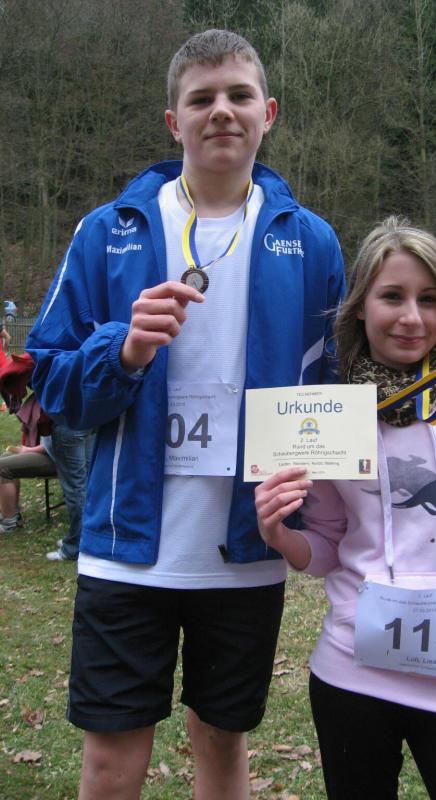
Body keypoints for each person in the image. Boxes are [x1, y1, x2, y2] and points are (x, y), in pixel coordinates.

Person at [26, 29, 345, 800]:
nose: (221, 111)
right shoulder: (109, 231)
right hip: (126, 547)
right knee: (110, 762)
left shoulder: (311, 242)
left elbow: (336, 386)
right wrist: (125, 352)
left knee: (222, 743)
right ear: (174, 121)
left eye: (238, 95)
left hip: (245, 550)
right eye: (201, 99)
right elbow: (51, 383)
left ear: (268, 112)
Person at [256, 217, 436, 800]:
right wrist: (279, 535)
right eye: (392, 296)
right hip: (353, 672)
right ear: (360, 307)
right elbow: (326, 547)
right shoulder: (332, 412)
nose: (412, 317)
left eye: (429, 298)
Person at [0, 424, 94, 561]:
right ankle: (11, 514)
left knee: (2, 467)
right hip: (57, 449)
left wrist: (30, 449)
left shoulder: (66, 421)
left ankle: (9, 522)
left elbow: (61, 442)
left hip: (58, 455)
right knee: (5, 458)